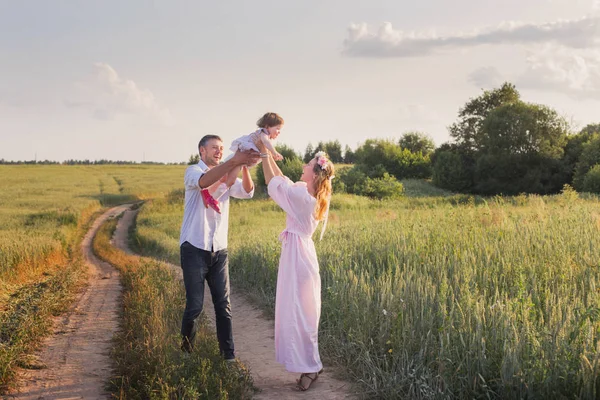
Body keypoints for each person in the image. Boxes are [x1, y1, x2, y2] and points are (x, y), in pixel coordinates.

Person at [256, 138, 335, 391]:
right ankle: (309, 364)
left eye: (309, 163)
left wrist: (264, 152)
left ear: (315, 173)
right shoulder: (306, 192)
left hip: (299, 259)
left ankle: (312, 366)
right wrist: (266, 151)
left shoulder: (304, 198)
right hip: (298, 254)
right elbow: (283, 183)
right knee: (297, 312)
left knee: (302, 314)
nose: (304, 164)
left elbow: (274, 184)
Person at [179, 134, 260, 361]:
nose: (219, 151)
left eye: (222, 148)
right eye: (214, 147)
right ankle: (186, 354)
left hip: (219, 249)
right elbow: (205, 182)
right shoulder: (192, 172)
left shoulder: (227, 173)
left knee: (224, 305)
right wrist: (234, 161)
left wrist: (243, 165)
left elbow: (247, 191)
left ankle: (229, 357)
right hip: (194, 247)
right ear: (201, 151)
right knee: (194, 305)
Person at [200, 112, 284, 214]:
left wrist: (270, 155)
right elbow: (266, 143)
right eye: (277, 128)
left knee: (227, 179)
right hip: (240, 158)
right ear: (267, 126)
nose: (279, 132)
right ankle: (212, 197)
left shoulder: (264, 137)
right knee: (229, 180)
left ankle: (210, 195)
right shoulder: (263, 134)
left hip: (242, 161)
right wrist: (274, 152)